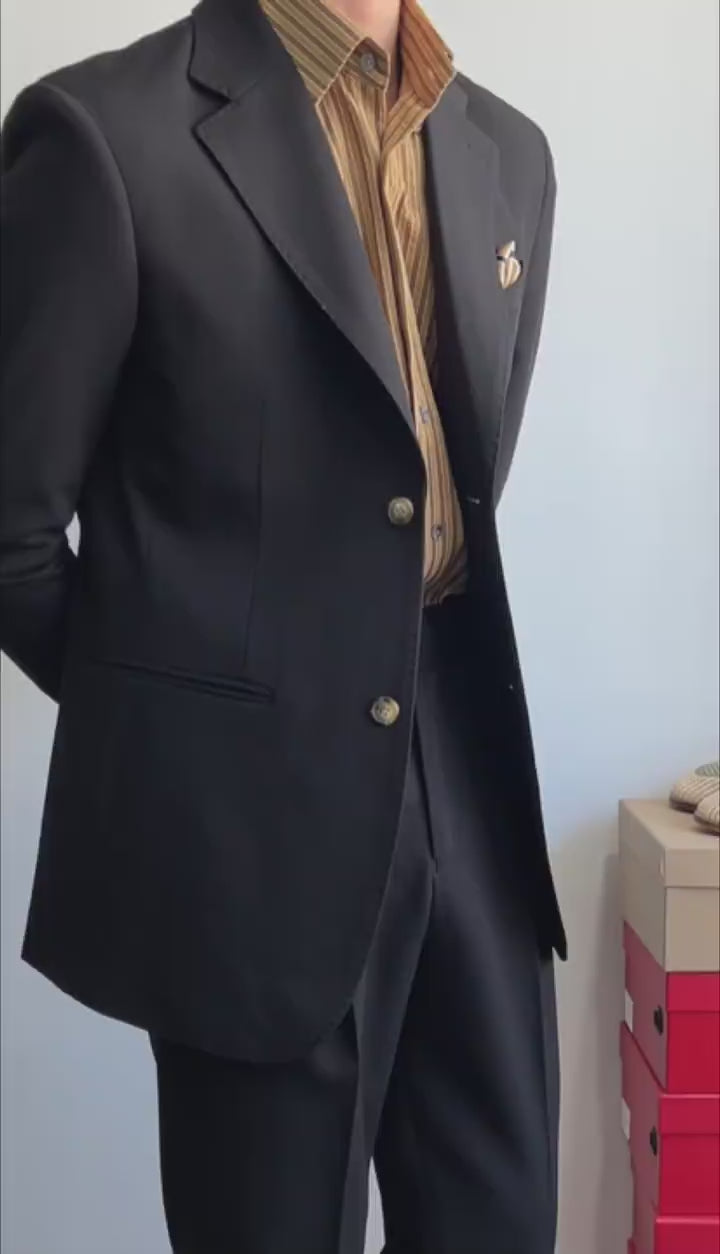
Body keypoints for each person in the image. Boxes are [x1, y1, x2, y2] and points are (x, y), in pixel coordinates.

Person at [0, 0, 567, 1248]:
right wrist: (192, 737)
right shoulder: (103, 133)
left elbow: (447, 491)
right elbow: (12, 537)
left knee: (506, 1219)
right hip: (253, 833)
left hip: (470, 772)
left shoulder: (507, 152)